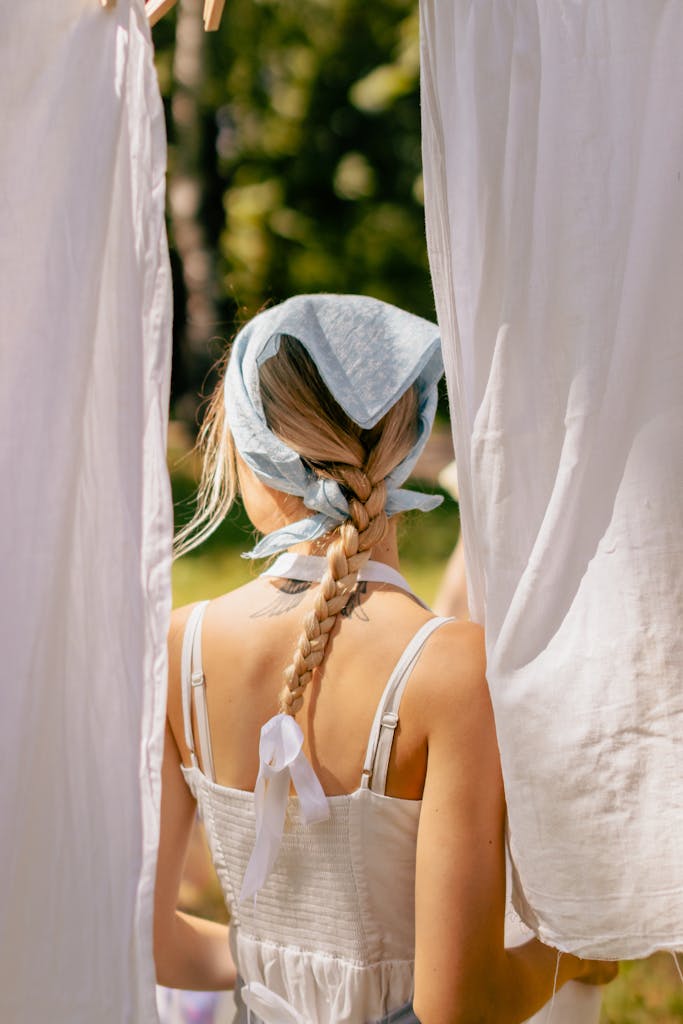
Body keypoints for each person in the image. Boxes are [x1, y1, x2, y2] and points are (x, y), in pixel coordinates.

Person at [153, 294, 616, 1024]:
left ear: (243, 450)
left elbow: (156, 944)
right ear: (411, 441)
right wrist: (577, 957)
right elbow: (455, 1005)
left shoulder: (179, 646)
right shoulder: (453, 669)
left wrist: (279, 972)